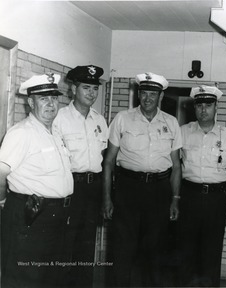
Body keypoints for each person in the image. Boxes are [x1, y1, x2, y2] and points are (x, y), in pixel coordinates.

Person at [102, 72, 182, 287]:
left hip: (159, 190)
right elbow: (109, 162)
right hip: (128, 189)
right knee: (122, 247)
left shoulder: (171, 123)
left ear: (161, 96)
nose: (147, 98)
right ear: (138, 94)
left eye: (153, 94)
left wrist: (175, 198)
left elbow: (176, 166)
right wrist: (108, 198)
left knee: (156, 249)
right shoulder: (122, 118)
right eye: (144, 93)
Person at [0, 73, 73, 287]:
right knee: (25, 278)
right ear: (31, 102)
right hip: (30, 216)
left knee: (50, 278)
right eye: (43, 98)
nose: (51, 104)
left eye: (53, 98)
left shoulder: (54, 133)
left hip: (55, 217)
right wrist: (3, 201)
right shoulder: (21, 133)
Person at [52, 65, 109, 286]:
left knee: (87, 247)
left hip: (92, 189)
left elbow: (103, 159)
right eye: (86, 87)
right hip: (69, 188)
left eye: (95, 88)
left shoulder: (100, 120)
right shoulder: (59, 118)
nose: (91, 93)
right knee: (65, 246)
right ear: (73, 89)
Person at [178, 85, 226, 287]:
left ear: (216, 107)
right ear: (194, 108)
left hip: (216, 199)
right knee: (185, 251)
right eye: (200, 105)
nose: (203, 110)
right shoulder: (183, 132)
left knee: (211, 253)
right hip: (189, 196)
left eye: (208, 105)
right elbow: (175, 167)